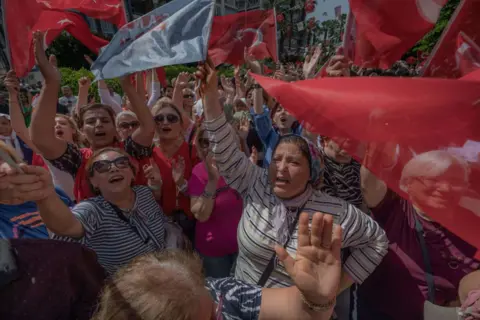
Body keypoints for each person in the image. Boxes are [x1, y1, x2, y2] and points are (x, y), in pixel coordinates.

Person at [196, 61, 388, 293]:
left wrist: (335, 289)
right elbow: (224, 149)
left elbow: (376, 241)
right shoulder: (256, 183)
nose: (282, 168)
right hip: (243, 305)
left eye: (294, 162)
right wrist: (209, 97)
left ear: (312, 171)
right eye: (276, 160)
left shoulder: (333, 211)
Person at [92, 211, 343, 320]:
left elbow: (301, 312)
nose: (219, 313)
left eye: (216, 310)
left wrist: (317, 298)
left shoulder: (223, 293)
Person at [29, 31, 155, 202]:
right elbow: (41, 138)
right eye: (90, 121)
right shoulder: (77, 157)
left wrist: (127, 86)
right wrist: (51, 84)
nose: (98, 125)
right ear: (80, 129)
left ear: (115, 127)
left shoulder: (129, 149)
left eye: (104, 120)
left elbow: (147, 127)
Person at [3, 147, 165, 275]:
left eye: (121, 163)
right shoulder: (93, 210)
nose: (113, 169)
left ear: (132, 172)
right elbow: (67, 227)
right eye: (102, 167)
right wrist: (46, 196)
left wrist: (156, 184)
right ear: (93, 182)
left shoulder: (144, 193)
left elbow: (155, 197)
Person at [359, 149, 480, 320]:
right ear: (406, 184)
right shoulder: (393, 210)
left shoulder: (471, 222)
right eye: (433, 179)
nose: (445, 188)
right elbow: (368, 183)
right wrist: (380, 139)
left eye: (455, 181)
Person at [188, 125, 243, 278]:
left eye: (218, 140)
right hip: (214, 254)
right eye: (205, 142)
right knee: (220, 297)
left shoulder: (242, 168)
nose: (211, 147)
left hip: (243, 249)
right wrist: (212, 181)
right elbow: (201, 215)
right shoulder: (199, 171)